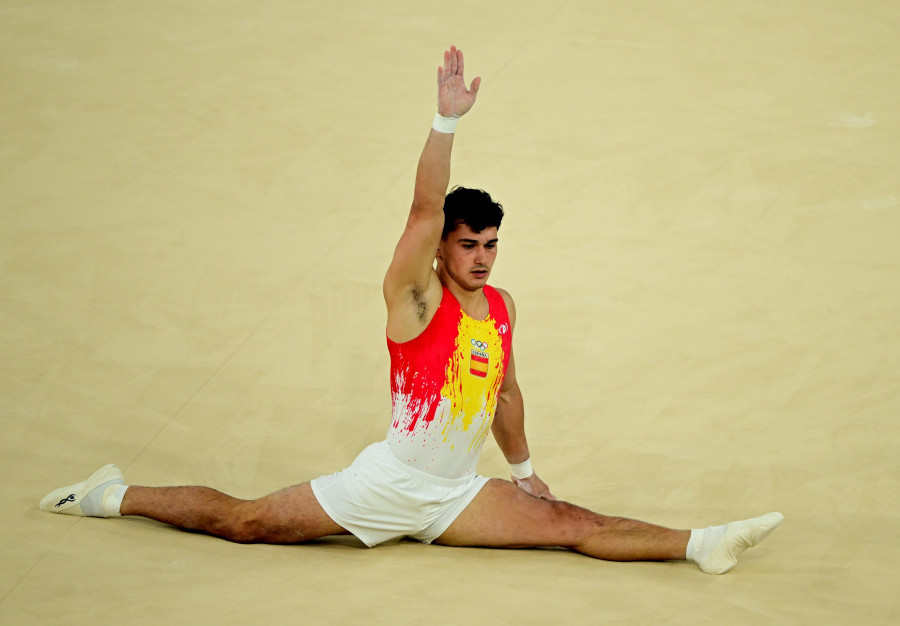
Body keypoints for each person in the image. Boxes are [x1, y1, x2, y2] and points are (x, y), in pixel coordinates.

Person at [40, 46, 783, 574]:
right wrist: (446, 121)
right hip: (383, 485)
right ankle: (111, 493)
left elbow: (506, 394)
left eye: (492, 243)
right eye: (469, 245)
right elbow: (425, 204)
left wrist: (524, 473)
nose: (484, 257)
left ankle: (700, 543)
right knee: (247, 522)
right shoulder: (416, 296)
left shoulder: (501, 307)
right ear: (441, 250)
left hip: (454, 497)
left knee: (569, 523)